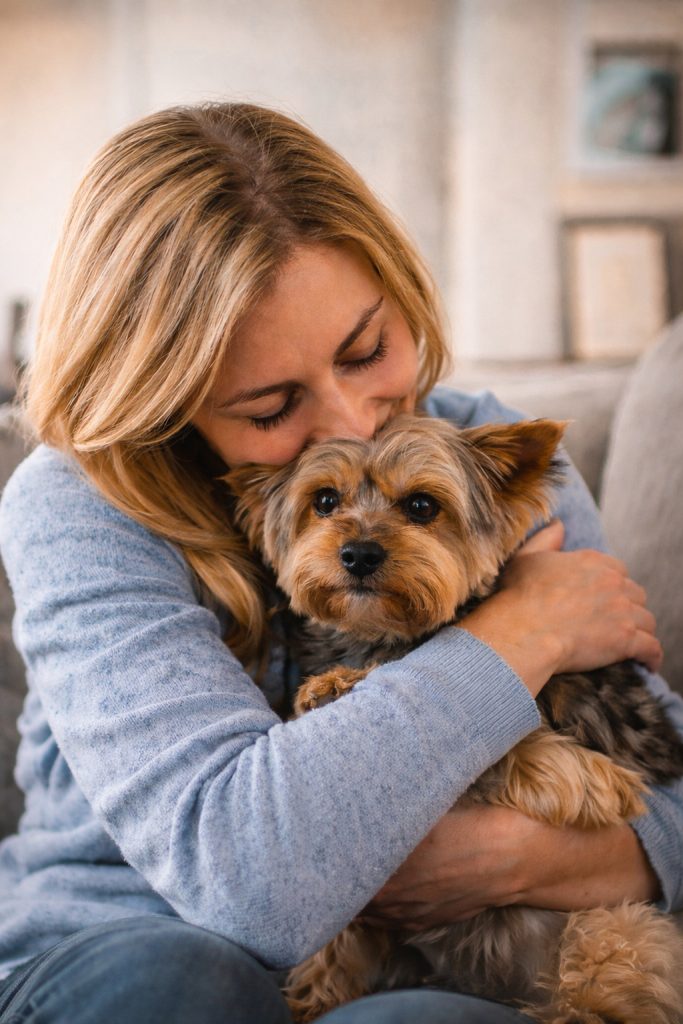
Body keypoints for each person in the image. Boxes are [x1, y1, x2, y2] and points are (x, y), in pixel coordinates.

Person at [0, 101, 679, 1024]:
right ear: (166, 401)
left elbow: (666, 783)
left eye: (367, 350)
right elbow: (250, 887)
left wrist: (529, 860)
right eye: (274, 406)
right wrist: (522, 629)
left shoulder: (486, 452)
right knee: (178, 985)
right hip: (125, 950)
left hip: (424, 971)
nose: (358, 420)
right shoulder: (81, 504)